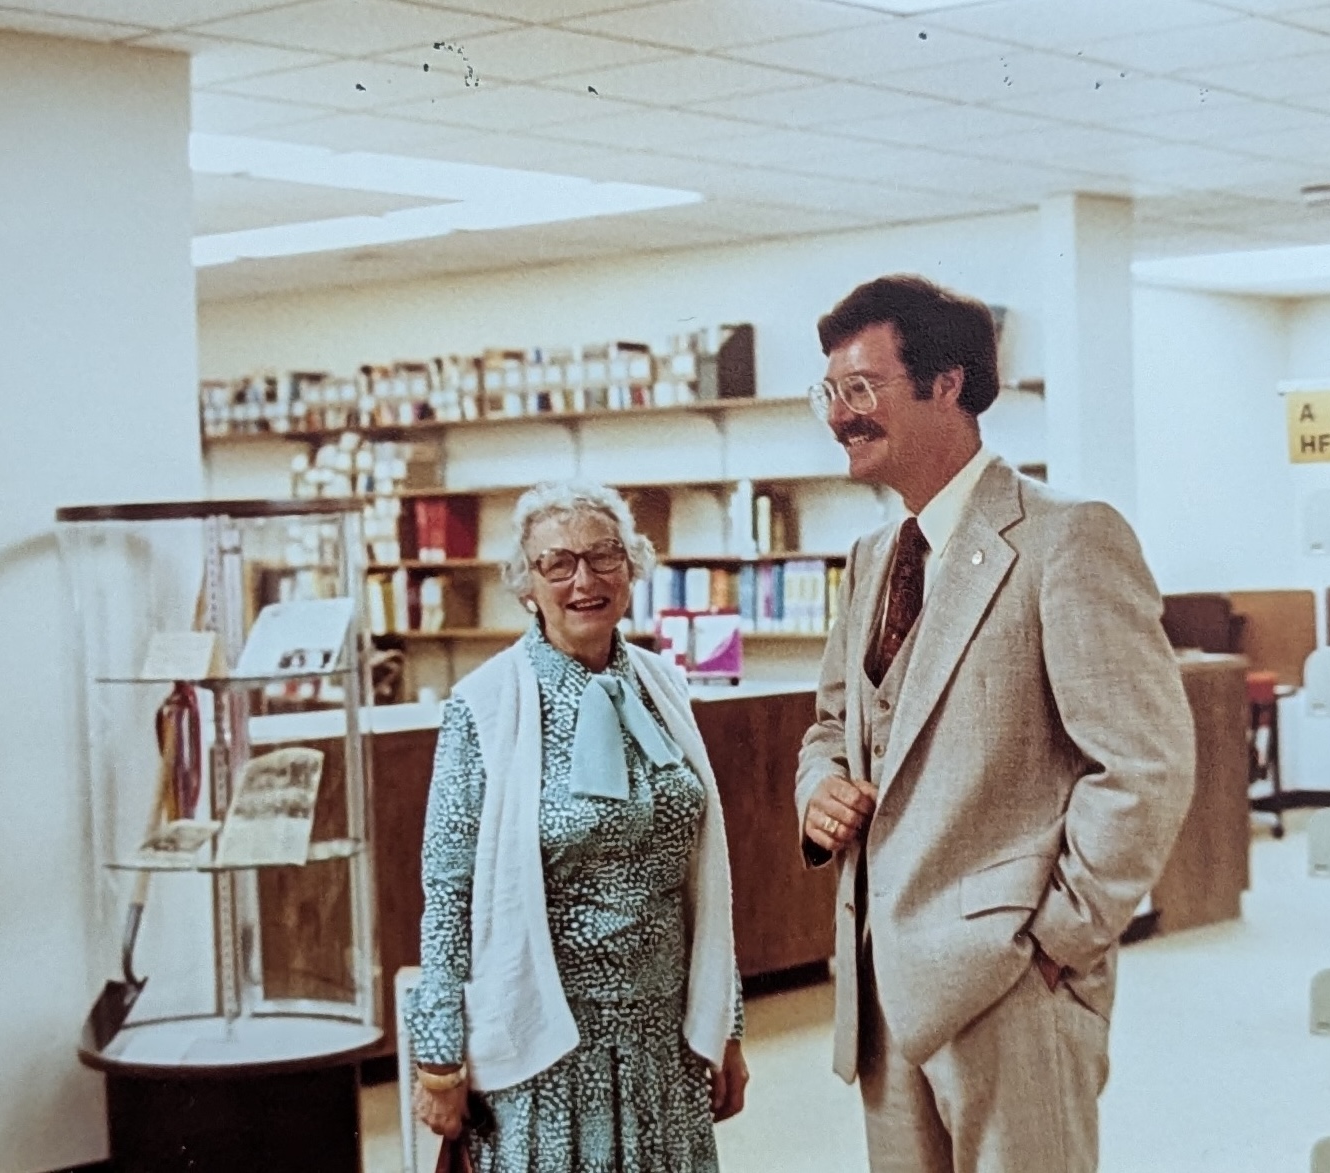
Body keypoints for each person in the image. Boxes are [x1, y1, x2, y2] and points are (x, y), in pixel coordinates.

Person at [794, 274, 1195, 1172]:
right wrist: (818, 787)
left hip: (1014, 980)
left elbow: (1143, 766)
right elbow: (830, 725)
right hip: (881, 989)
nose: (840, 415)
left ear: (948, 383)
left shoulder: (1069, 537)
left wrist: (1059, 942)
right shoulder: (872, 558)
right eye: (830, 392)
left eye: (862, 388)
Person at [406, 480, 749, 1173]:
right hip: (543, 1047)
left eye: (603, 556)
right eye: (558, 563)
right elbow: (448, 892)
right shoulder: (482, 707)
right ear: (527, 585)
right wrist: (438, 1060)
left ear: (632, 566)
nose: (584, 581)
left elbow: (704, 883)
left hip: (662, 1041)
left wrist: (726, 1024)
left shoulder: (664, 686)